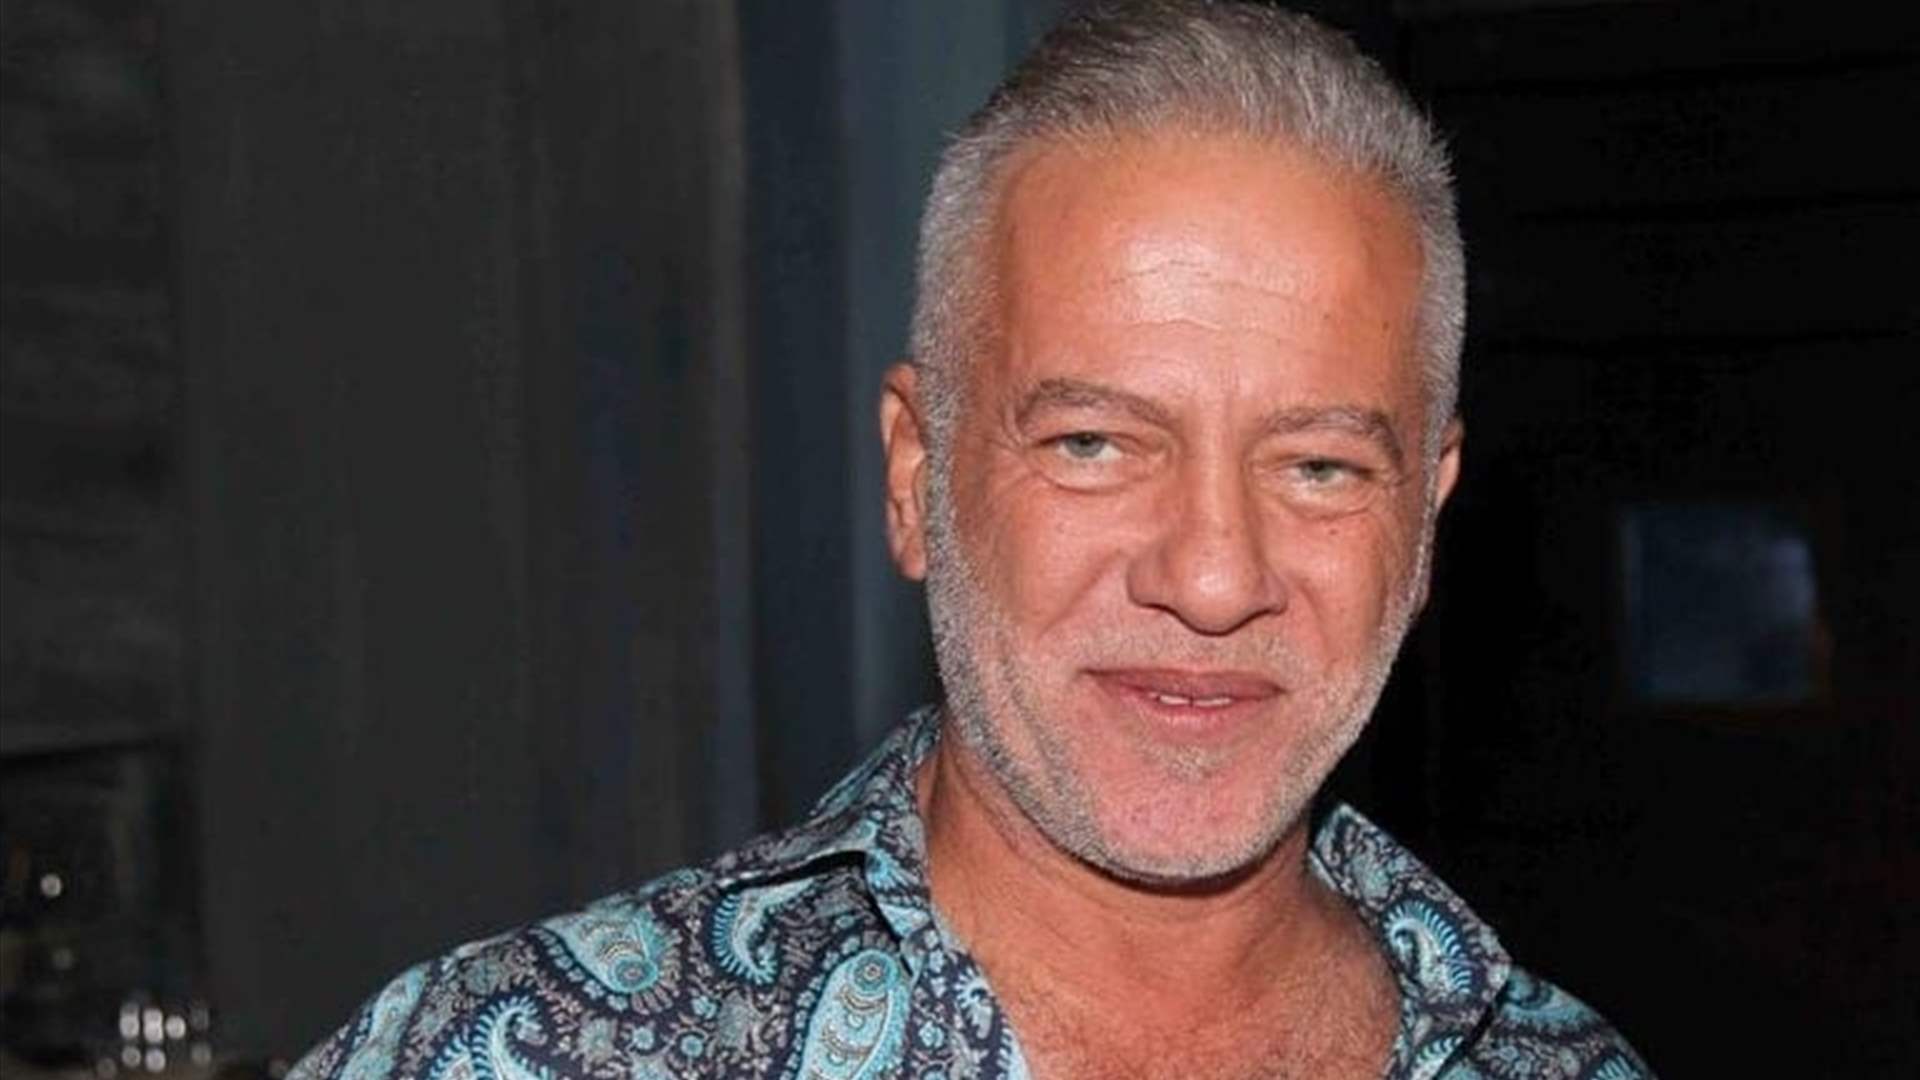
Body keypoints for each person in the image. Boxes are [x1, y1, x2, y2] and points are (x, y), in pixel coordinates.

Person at [292, 2, 1648, 1077]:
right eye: (1094, 443)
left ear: (1424, 523)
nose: (1213, 577)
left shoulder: (1562, 1065)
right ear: (916, 479)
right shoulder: (532, 1054)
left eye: (1319, 466)